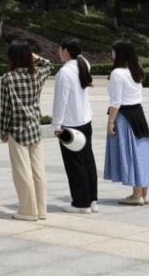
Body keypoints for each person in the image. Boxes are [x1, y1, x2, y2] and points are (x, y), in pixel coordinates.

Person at [0, 40, 53, 221]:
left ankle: (28, 211)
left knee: (22, 171)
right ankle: (41, 210)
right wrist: (34, 56)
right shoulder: (37, 74)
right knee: (38, 170)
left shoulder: (8, 78)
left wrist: (3, 132)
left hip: (17, 130)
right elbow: (49, 65)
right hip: (34, 128)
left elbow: (6, 109)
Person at [104, 40, 149, 205]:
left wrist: (111, 122)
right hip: (139, 114)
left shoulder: (117, 73)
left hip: (125, 117)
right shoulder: (137, 68)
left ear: (119, 53)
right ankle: (144, 194)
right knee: (142, 153)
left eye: (113, 51)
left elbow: (116, 102)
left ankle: (136, 196)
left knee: (131, 155)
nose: (111, 54)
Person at [52, 38, 97, 214]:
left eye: (60, 49)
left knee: (75, 165)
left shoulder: (64, 73)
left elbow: (61, 101)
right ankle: (92, 200)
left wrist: (57, 125)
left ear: (66, 51)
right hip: (85, 120)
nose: (58, 52)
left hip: (70, 125)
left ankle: (80, 203)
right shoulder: (83, 63)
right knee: (88, 161)